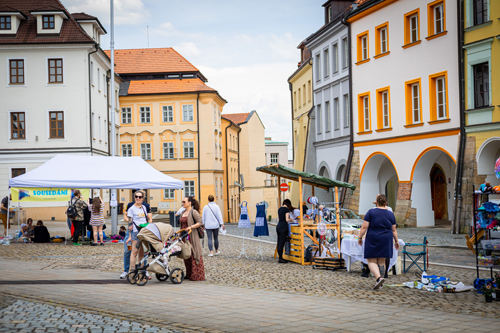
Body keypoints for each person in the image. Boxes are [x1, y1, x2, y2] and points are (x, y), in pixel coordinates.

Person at [358, 194, 399, 289]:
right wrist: (396, 241)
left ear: (376, 202)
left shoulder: (371, 212)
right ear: (386, 203)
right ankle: (380, 282)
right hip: (386, 238)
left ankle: (379, 279)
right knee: (381, 260)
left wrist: (360, 237)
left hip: (374, 237)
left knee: (371, 260)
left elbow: (364, 227)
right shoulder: (390, 214)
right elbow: (394, 229)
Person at [126, 190, 152, 274]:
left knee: (142, 253)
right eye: (136, 196)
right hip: (136, 233)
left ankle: (141, 271)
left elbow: (147, 219)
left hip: (143, 232)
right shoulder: (131, 209)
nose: (137, 198)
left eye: (139, 197)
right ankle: (133, 271)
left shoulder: (144, 207)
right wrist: (130, 236)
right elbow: (130, 224)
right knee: (134, 253)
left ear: (142, 198)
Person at [180, 196, 205, 281]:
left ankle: (196, 275)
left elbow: (200, 222)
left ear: (189, 202)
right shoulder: (183, 212)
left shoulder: (193, 212)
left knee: (194, 255)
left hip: (192, 236)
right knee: (186, 255)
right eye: (182, 202)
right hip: (184, 236)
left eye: (184, 202)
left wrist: (191, 226)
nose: (183, 203)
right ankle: (189, 273)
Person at [276, 199, 295, 263]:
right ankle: (281, 259)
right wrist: (291, 219)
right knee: (282, 243)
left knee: (279, 242)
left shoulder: (279, 209)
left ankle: (280, 257)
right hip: (283, 226)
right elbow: (287, 219)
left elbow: (279, 218)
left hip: (279, 226)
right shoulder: (286, 209)